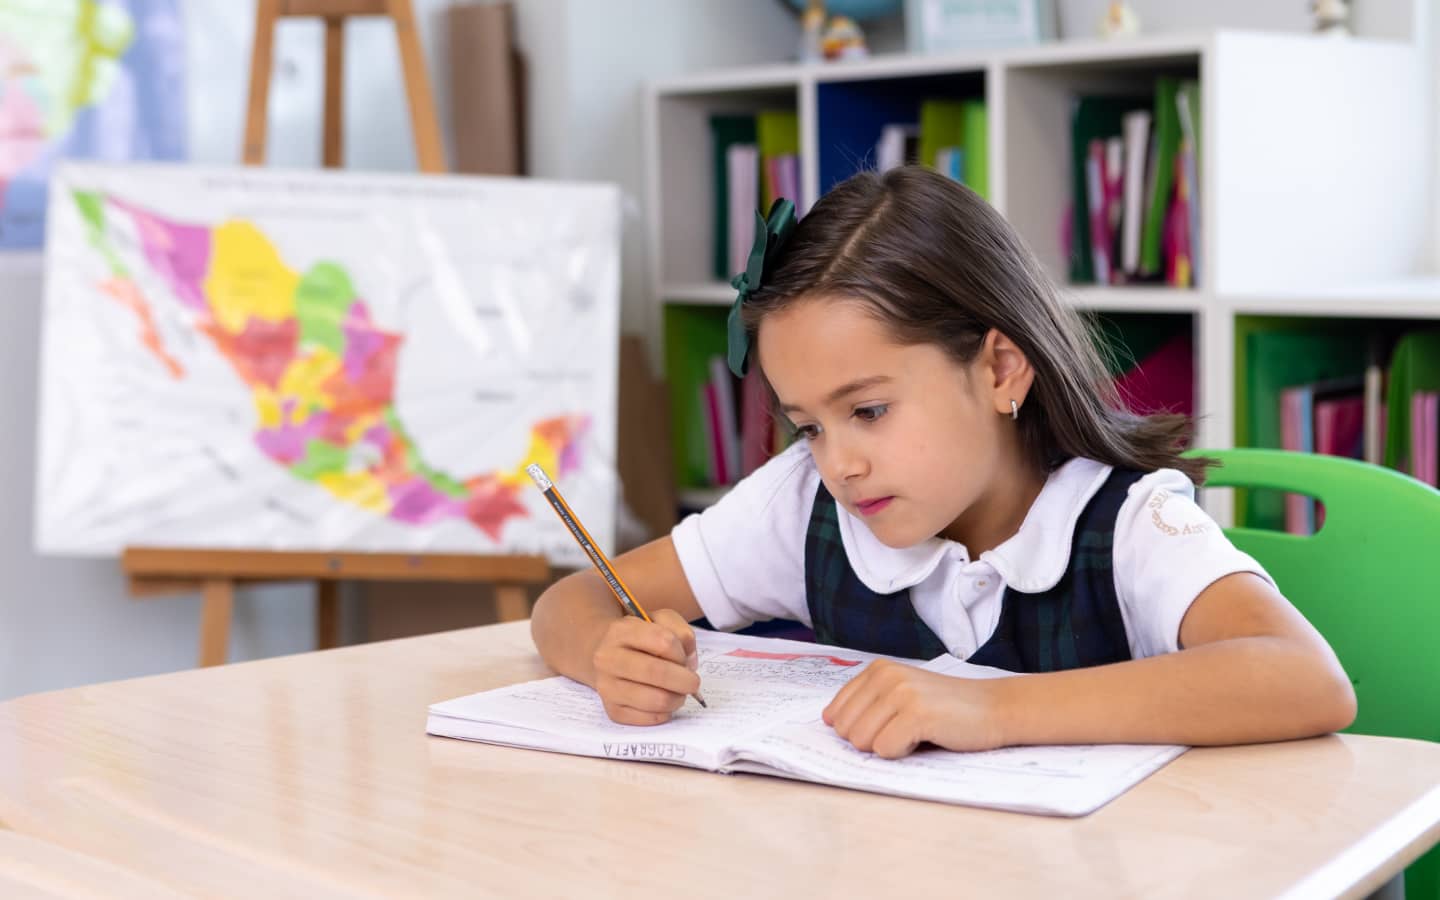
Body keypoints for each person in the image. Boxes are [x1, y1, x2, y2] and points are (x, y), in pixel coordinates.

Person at [530, 166, 1355, 759]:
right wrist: (607, 655)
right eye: (807, 425)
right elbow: (572, 600)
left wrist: (995, 709)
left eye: (869, 411)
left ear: (1000, 370)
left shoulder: (1128, 521)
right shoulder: (803, 503)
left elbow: (1306, 679)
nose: (839, 463)